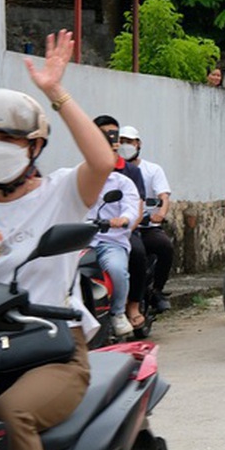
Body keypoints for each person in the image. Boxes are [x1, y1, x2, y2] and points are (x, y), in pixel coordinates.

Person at [0, 30, 113, 450]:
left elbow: (102, 160)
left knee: (10, 413)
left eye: (8, 137)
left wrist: (56, 92)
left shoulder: (60, 193)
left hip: (54, 352)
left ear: (34, 146)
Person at [94, 115, 149, 325]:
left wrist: (125, 223)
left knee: (135, 255)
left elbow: (135, 206)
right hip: (85, 239)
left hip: (117, 235)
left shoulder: (126, 176)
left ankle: (126, 308)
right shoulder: (80, 175)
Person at [86, 129, 141, 337]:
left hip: (110, 241)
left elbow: (131, 208)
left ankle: (118, 313)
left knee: (118, 270)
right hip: (81, 242)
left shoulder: (122, 182)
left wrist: (123, 220)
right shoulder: (77, 179)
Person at [119, 125, 175, 314]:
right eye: (122, 142)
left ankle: (156, 290)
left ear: (138, 144)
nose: (126, 146)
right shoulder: (110, 169)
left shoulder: (152, 170)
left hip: (146, 227)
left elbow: (164, 196)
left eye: (130, 142)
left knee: (164, 247)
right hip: (119, 229)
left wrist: (160, 214)